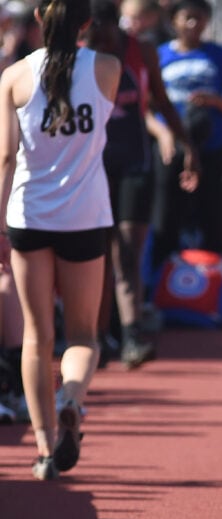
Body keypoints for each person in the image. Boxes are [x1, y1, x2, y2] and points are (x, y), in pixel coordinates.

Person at [0, 0, 121, 480]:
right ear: (87, 24)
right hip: (85, 215)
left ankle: (47, 447)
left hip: (29, 214)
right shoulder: (107, 69)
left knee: (36, 336)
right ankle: (71, 394)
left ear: (37, 22)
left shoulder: (13, 77)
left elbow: (6, 158)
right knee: (84, 335)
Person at [84, 0, 197, 370]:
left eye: (103, 30)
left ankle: (132, 335)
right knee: (97, 254)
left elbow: (160, 100)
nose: (98, 38)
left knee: (128, 251)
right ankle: (97, 336)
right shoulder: (81, 55)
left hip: (134, 161)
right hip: (92, 167)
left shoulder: (140, 49)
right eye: (91, 31)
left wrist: (185, 144)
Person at [149, 0, 222, 275]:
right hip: (171, 151)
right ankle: (159, 289)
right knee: (165, 222)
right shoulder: (159, 55)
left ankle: (217, 289)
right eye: (187, 18)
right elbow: (146, 107)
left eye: (200, 18)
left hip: (211, 150)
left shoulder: (221, 57)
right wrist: (164, 133)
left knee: (214, 222)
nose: (193, 24)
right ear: (174, 21)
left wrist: (215, 102)